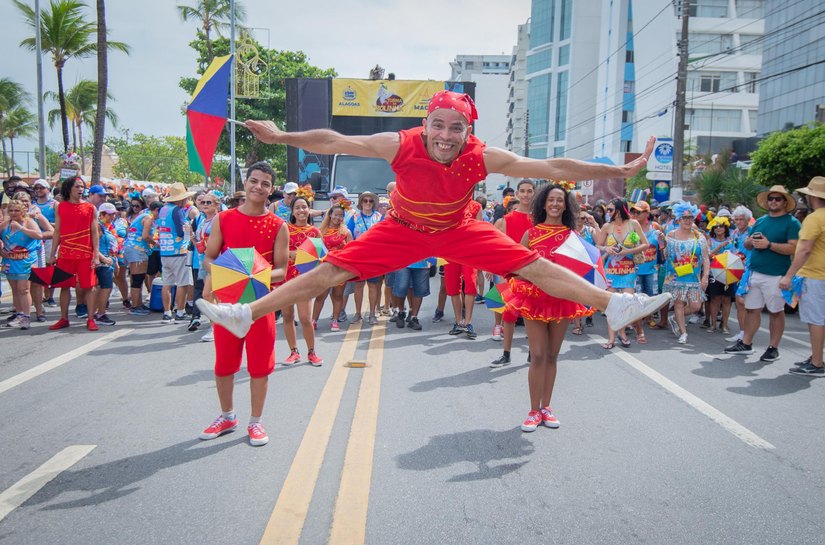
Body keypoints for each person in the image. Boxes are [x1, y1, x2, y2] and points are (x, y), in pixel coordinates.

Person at [197, 90, 670, 343]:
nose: (446, 135)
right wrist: (280, 138)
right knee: (329, 271)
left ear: (469, 130)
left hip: (459, 228)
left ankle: (614, 304)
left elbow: (553, 167)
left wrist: (619, 169)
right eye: (438, 126)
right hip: (402, 228)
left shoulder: (482, 156)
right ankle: (246, 314)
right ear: (426, 125)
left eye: (456, 127)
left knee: (534, 266)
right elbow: (333, 140)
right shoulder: (399, 143)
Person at [199, 161, 289, 447]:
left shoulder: (278, 226)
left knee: (260, 366)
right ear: (245, 183)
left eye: (264, 183)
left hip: (260, 304)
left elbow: (282, 270)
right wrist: (220, 280)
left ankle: (256, 422)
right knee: (224, 364)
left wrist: (253, 274)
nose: (258, 187)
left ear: (271, 190)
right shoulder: (223, 220)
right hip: (227, 303)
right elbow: (209, 258)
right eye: (254, 181)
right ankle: (227, 416)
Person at [502, 183, 594, 431]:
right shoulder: (530, 234)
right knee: (539, 355)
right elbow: (518, 267)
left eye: (560, 201)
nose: (555, 204)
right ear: (543, 203)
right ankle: (533, 410)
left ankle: (546, 408)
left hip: (561, 300)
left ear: (566, 206)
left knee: (552, 355)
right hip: (534, 299)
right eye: (551, 200)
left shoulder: (573, 237)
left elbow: (582, 270)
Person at [725, 185, 800, 361]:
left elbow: (794, 248)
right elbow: (747, 244)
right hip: (755, 272)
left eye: (777, 199)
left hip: (776, 274)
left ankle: (773, 348)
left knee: (775, 311)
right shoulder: (760, 221)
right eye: (771, 198)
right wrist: (751, 241)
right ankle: (746, 343)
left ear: (784, 202)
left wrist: (769, 245)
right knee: (752, 309)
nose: (773, 201)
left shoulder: (792, 223)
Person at [490, 179, 535, 365]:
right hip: (512, 274)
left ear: (534, 193)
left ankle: (533, 352)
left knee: (533, 315)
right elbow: (496, 248)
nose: (525, 194)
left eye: (529, 191)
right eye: (522, 191)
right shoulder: (505, 221)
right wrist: (499, 272)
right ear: (516, 194)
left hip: (534, 273)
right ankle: (506, 354)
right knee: (508, 314)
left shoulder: (540, 219)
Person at [783, 177, 825, 375]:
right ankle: (816, 356)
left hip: (815, 276)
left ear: (812, 197)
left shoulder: (814, 218)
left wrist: (789, 276)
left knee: (815, 320)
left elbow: (804, 250)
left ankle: (817, 363)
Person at [48, 177, 100, 331]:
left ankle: (90, 319)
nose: (80, 189)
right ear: (69, 188)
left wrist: (96, 254)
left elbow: (95, 232)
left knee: (89, 287)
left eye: (82, 187)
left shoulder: (90, 208)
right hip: (65, 254)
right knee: (64, 287)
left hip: (85, 254)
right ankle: (64, 318)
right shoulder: (61, 207)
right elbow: (57, 231)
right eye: (77, 186)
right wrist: (52, 254)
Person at [597, 198, 649, 348]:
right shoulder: (607, 226)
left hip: (628, 269)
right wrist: (606, 249)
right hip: (611, 270)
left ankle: (622, 332)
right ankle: (612, 338)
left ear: (620, 210)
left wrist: (629, 251)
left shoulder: (633, 224)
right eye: (608, 210)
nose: (608, 212)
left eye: (611, 210)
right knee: (611, 304)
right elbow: (598, 244)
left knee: (627, 302)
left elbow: (645, 244)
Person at [281, 196, 323, 366]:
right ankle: (293, 352)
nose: (301, 211)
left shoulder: (315, 232)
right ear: (292, 211)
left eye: (304, 207)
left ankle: (311, 352)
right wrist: (289, 254)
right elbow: (278, 252)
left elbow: (321, 256)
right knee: (287, 316)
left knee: (305, 318)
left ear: (309, 209)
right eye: (297, 207)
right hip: (286, 278)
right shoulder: (284, 229)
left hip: (305, 280)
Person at [1, 197, 52, 329]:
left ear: (22, 211)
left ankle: (26, 317)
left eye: (16, 210)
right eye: (11, 210)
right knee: (15, 290)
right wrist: (1, 251)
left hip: (26, 261)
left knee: (23, 290)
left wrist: (20, 227)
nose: (13, 213)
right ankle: (19, 314)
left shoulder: (28, 222)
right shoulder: (5, 224)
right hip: (9, 261)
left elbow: (39, 236)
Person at [663, 202, 710, 344]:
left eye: (690, 217)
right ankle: (683, 333)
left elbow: (706, 259)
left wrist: (705, 276)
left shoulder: (699, 237)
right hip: (676, 276)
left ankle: (676, 317)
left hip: (693, 277)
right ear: (678, 219)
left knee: (696, 306)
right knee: (678, 303)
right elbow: (666, 255)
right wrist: (662, 243)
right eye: (684, 218)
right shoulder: (671, 235)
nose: (687, 220)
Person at [445, 198, 483, 339]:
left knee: (471, 285)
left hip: (469, 251)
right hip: (449, 251)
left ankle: (468, 322)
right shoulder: (447, 203)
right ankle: (458, 321)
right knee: (453, 286)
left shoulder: (475, 206)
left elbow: (479, 230)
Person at [158, 183, 196, 324]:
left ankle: (167, 313)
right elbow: (181, 231)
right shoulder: (178, 211)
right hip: (179, 251)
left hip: (164, 251)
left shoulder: (163, 210)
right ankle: (180, 312)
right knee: (182, 283)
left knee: (166, 283)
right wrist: (189, 228)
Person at [344, 191, 383, 325]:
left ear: (374, 203)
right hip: (358, 256)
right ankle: (358, 313)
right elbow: (348, 234)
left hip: (374, 257)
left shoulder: (379, 217)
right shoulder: (354, 217)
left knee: (373, 285)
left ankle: (372, 314)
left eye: (370, 201)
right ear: (361, 203)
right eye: (365, 201)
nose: (367, 203)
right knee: (359, 285)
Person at [312, 205, 352, 332]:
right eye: (336, 215)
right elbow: (315, 250)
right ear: (330, 215)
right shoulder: (320, 232)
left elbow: (351, 250)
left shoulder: (346, 232)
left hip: (340, 269)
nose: (338, 218)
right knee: (320, 296)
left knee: (338, 295)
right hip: (325, 268)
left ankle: (335, 320)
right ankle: (313, 320)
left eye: (341, 215)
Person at [190, 192, 219, 335]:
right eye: (203, 202)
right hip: (203, 260)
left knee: (208, 294)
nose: (205, 205)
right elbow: (199, 243)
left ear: (216, 205)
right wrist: (192, 237)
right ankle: (217, 325)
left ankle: (216, 327)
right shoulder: (202, 220)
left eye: (209, 203)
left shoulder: (218, 219)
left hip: (217, 260)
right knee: (210, 295)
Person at [123, 199, 158, 315]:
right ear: (156, 210)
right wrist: (156, 243)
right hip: (137, 249)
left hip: (131, 247)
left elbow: (130, 230)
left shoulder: (141, 216)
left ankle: (138, 303)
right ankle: (135, 306)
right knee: (138, 278)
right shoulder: (148, 218)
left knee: (136, 277)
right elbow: (145, 236)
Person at [725, 205, 754, 343]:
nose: (738, 222)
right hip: (736, 270)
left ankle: (747, 335)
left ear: (748, 220)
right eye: (736, 219)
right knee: (739, 303)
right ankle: (743, 333)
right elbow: (733, 248)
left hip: (749, 270)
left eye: (741, 219)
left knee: (744, 302)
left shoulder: (752, 232)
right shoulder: (735, 233)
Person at [705, 215, 735, 333]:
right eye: (715, 226)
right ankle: (713, 324)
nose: (718, 228)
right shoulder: (709, 241)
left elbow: (735, 255)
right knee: (714, 299)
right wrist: (718, 247)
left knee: (727, 300)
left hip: (729, 272)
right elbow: (707, 256)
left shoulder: (731, 241)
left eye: (721, 226)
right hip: (714, 273)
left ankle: (725, 325)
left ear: (725, 228)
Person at [93, 203, 120, 326]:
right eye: (110, 214)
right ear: (102, 214)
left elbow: (113, 246)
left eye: (114, 214)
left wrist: (116, 261)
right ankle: (100, 314)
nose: (113, 216)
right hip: (102, 262)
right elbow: (93, 245)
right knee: (105, 288)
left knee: (104, 288)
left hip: (109, 261)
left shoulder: (108, 227)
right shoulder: (98, 226)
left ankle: (97, 312)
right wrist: (103, 258)